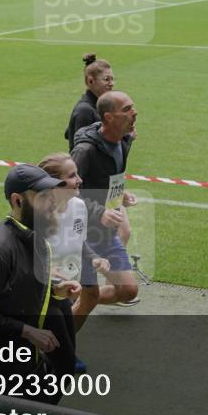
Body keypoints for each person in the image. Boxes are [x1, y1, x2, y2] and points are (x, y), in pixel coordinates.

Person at [0, 164, 81, 402]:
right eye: (43, 197)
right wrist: (28, 332)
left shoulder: (31, 236)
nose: (52, 203)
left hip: (24, 364)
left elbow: (17, 285)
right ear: (18, 201)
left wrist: (54, 290)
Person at [70, 91, 140, 307]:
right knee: (84, 289)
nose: (134, 113)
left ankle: (67, 299)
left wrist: (120, 194)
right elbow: (66, 192)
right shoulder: (85, 150)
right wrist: (100, 212)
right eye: (127, 109)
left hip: (104, 231)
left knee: (128, 291)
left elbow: (109, 177)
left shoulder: (124, 141)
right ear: (108, 117)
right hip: (81, 231)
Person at [64, 53, 135, 248]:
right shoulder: (85, 111)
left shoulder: (103, 108)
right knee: (117, 235)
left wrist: (120, 192)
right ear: (90, 81)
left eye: (112, 78)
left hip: (107, 187)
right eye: (106, 79)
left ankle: (109, 273)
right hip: (92, 188)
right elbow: (79, 150)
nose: (111, 83)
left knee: (122, 233)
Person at [37, 153, 110, 332]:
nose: (79, 179)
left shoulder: (79, 205)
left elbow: (80, 241)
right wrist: (48, 274)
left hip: (67, 287)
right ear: (55, 183)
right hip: (42, 292)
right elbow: (23, 257)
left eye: (76, 174)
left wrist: (94, 258)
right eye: (71, 176)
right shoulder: (37, 216)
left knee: (61, 336)